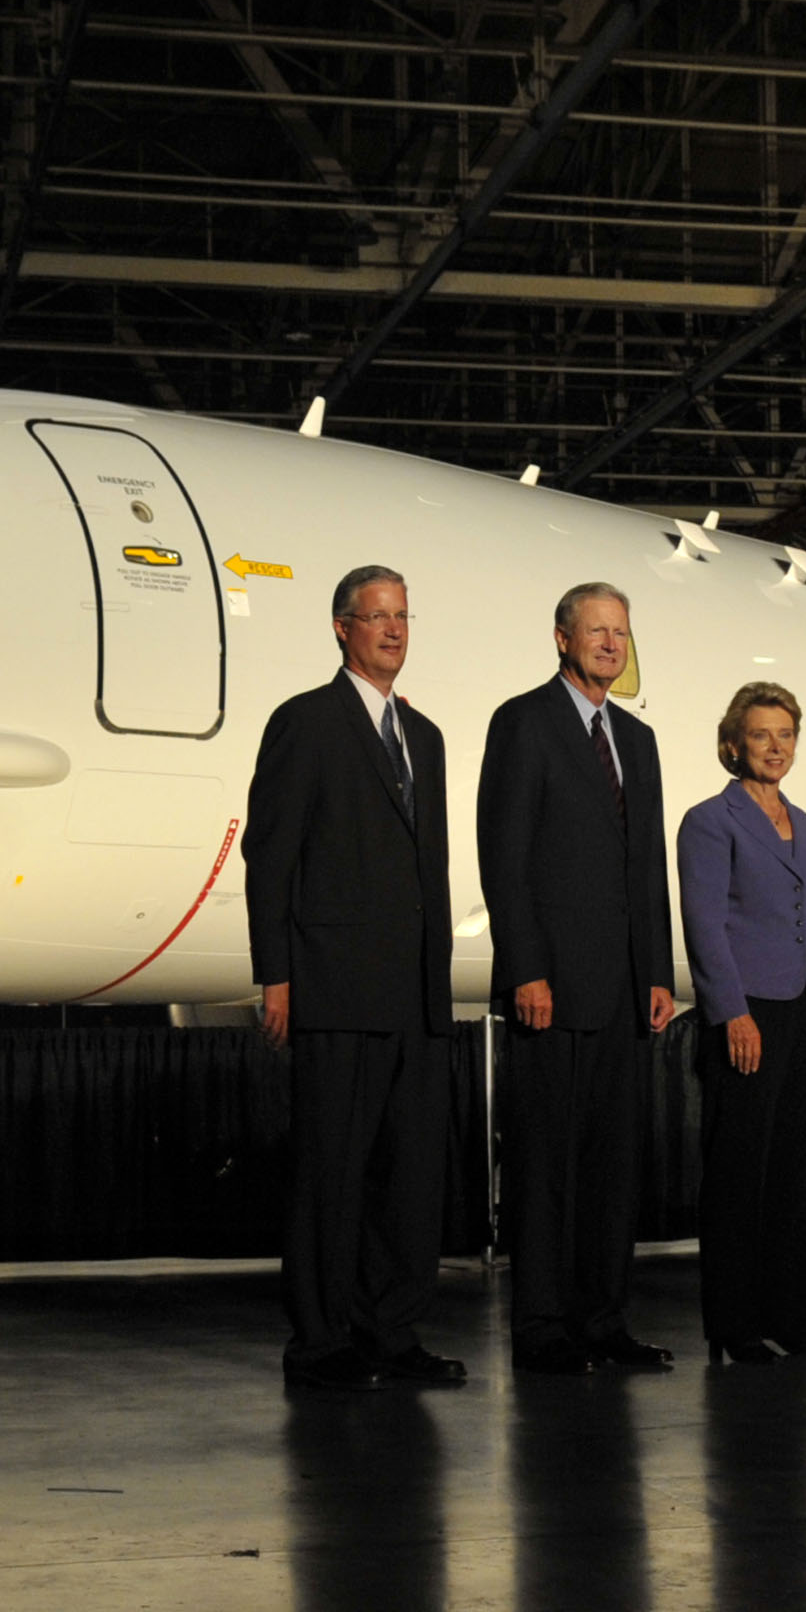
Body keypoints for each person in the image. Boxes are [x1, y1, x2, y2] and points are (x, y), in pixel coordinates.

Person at [242, 565, 465, 1391]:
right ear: (342, 627)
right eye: (377, 616)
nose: (395, 629)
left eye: (403, 614)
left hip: (414, 994)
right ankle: (322, 1341)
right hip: (335, 986)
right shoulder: (306, 721)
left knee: (408, 1179)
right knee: (331, 1174)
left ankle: (391, 1332)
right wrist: (278, 975)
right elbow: (270, 856)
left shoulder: (427, 736)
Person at [477, 582, 678, 1376]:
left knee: (610, 1168)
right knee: (545, 1165)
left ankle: (603, 1320)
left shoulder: (639, 736)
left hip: (626, 990)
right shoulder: (524, 721)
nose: (610, 644)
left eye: (621, 633)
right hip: (551, 988)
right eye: (597, 631)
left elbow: (648, 868)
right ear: (562, 638)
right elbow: (506, 856)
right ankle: (543, 1326)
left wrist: (658, 971)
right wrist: (525, 966)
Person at [676, 682, 806, 1365]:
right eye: (760, 735)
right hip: (748, 1010)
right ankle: (734, 1325)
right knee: (737, 1171)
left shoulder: (803, 824)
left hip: (805, 1008)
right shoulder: (709, 821)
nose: (775, 747)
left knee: (790, 1170)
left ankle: (791, 1319)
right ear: (732, 745)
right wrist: (732, 1011)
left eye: (785, 735)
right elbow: (705, 924)